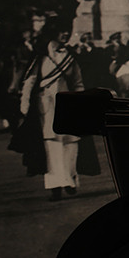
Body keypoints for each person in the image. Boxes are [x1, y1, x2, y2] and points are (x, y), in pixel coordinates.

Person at [19, 18, 85, 200]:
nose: (66, 34)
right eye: (61, 31)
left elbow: (78, 83)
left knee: (71, 144)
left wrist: (80, 102)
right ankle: (55, 185)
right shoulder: (40, 55)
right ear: (53, 33)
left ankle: (70, 180)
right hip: (46, 106)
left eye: (67, 30)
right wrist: (24, 103)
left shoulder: (70, 56)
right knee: (52, 146)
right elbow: (30, 81)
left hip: (68, 106)